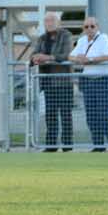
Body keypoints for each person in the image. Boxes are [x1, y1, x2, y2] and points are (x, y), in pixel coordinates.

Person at [70, 17, 108, 151]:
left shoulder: (104, 38)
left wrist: (89, 59)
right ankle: (98, 145)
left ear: (97, 27)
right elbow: (70, 56)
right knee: (91, 115)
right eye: (86, 27)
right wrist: (78, 58)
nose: (89, 29)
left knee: (102, 113)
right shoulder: (82, 40)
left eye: (92, 26)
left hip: (102, 79)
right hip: (87, 80)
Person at [30, 11, 74, 151]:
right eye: (47, 21)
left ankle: (67, 146)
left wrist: (47, 57)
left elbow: (66, 54)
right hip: (47, 82)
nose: (49, 23)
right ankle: (51, 146)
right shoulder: (42, 38)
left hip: (63, 82)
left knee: (65, 114)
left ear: (58, 23)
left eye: (52, 20)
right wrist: (34, 58)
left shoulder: (66, 35)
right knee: (50, 115)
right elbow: (33, 54)